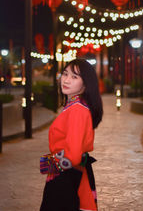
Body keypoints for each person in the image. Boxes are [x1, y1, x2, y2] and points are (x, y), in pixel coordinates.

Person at [39, 58, 103, 211]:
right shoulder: (75, 105)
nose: (66, 80)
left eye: (74, 77)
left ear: (85, 83)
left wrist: (47, 164)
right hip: (72, 173)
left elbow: (73, 156)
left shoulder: (77, 110)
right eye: (65, 74)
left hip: (67, 176)